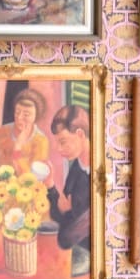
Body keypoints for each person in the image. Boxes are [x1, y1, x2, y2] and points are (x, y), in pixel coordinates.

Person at [47, 104, 91, 269]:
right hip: (75, 252)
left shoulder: (100, 174)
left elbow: (66, 237)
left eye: (63, 142)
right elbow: (59, 216)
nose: (58, 149)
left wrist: (67, 213)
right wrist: (50, 186)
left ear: (80, 134)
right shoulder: (76, 168)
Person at [0, 87, 50, 184]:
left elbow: (30, 181)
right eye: (17, 112)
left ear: (35, 116)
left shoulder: (40, 141)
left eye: (26, 114)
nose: (19, 117)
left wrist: (18, 149)